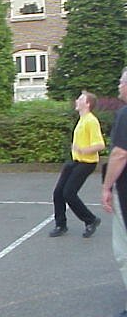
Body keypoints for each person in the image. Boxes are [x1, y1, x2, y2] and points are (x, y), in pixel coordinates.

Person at [49, 91, 104, 238]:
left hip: (87, 162)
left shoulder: (91, 121)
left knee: (69, 193)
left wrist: (83, 150)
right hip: (75, 161)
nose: (77, 101)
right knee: (58, 192)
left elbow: (100, 145)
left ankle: (91, 220)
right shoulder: (82, 119)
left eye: (80, 99)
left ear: (87, 104)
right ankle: (60, 225)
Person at [102, 68, 127, 317]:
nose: (118, 86)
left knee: (124, 250)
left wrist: (106, 186)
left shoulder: (125, 115)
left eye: (121, 82)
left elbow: (120, 154)